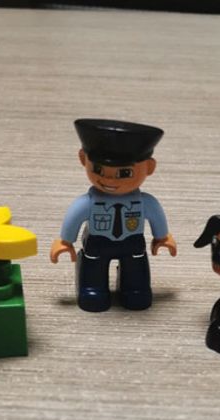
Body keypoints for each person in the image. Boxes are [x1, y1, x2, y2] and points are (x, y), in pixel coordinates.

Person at [50, 118, 177, 312]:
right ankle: (92, 289)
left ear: (149, 168)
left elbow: (156, 215)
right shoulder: (88, 202)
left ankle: (135, 290)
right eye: (98, 169)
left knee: (136, 273)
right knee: (94, 270)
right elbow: (74, 216)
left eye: (124, 173)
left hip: (132, 242)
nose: (109, 180)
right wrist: (65, 241)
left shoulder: (144, 202)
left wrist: (162, 237)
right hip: (98, 242)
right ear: (83, 159)